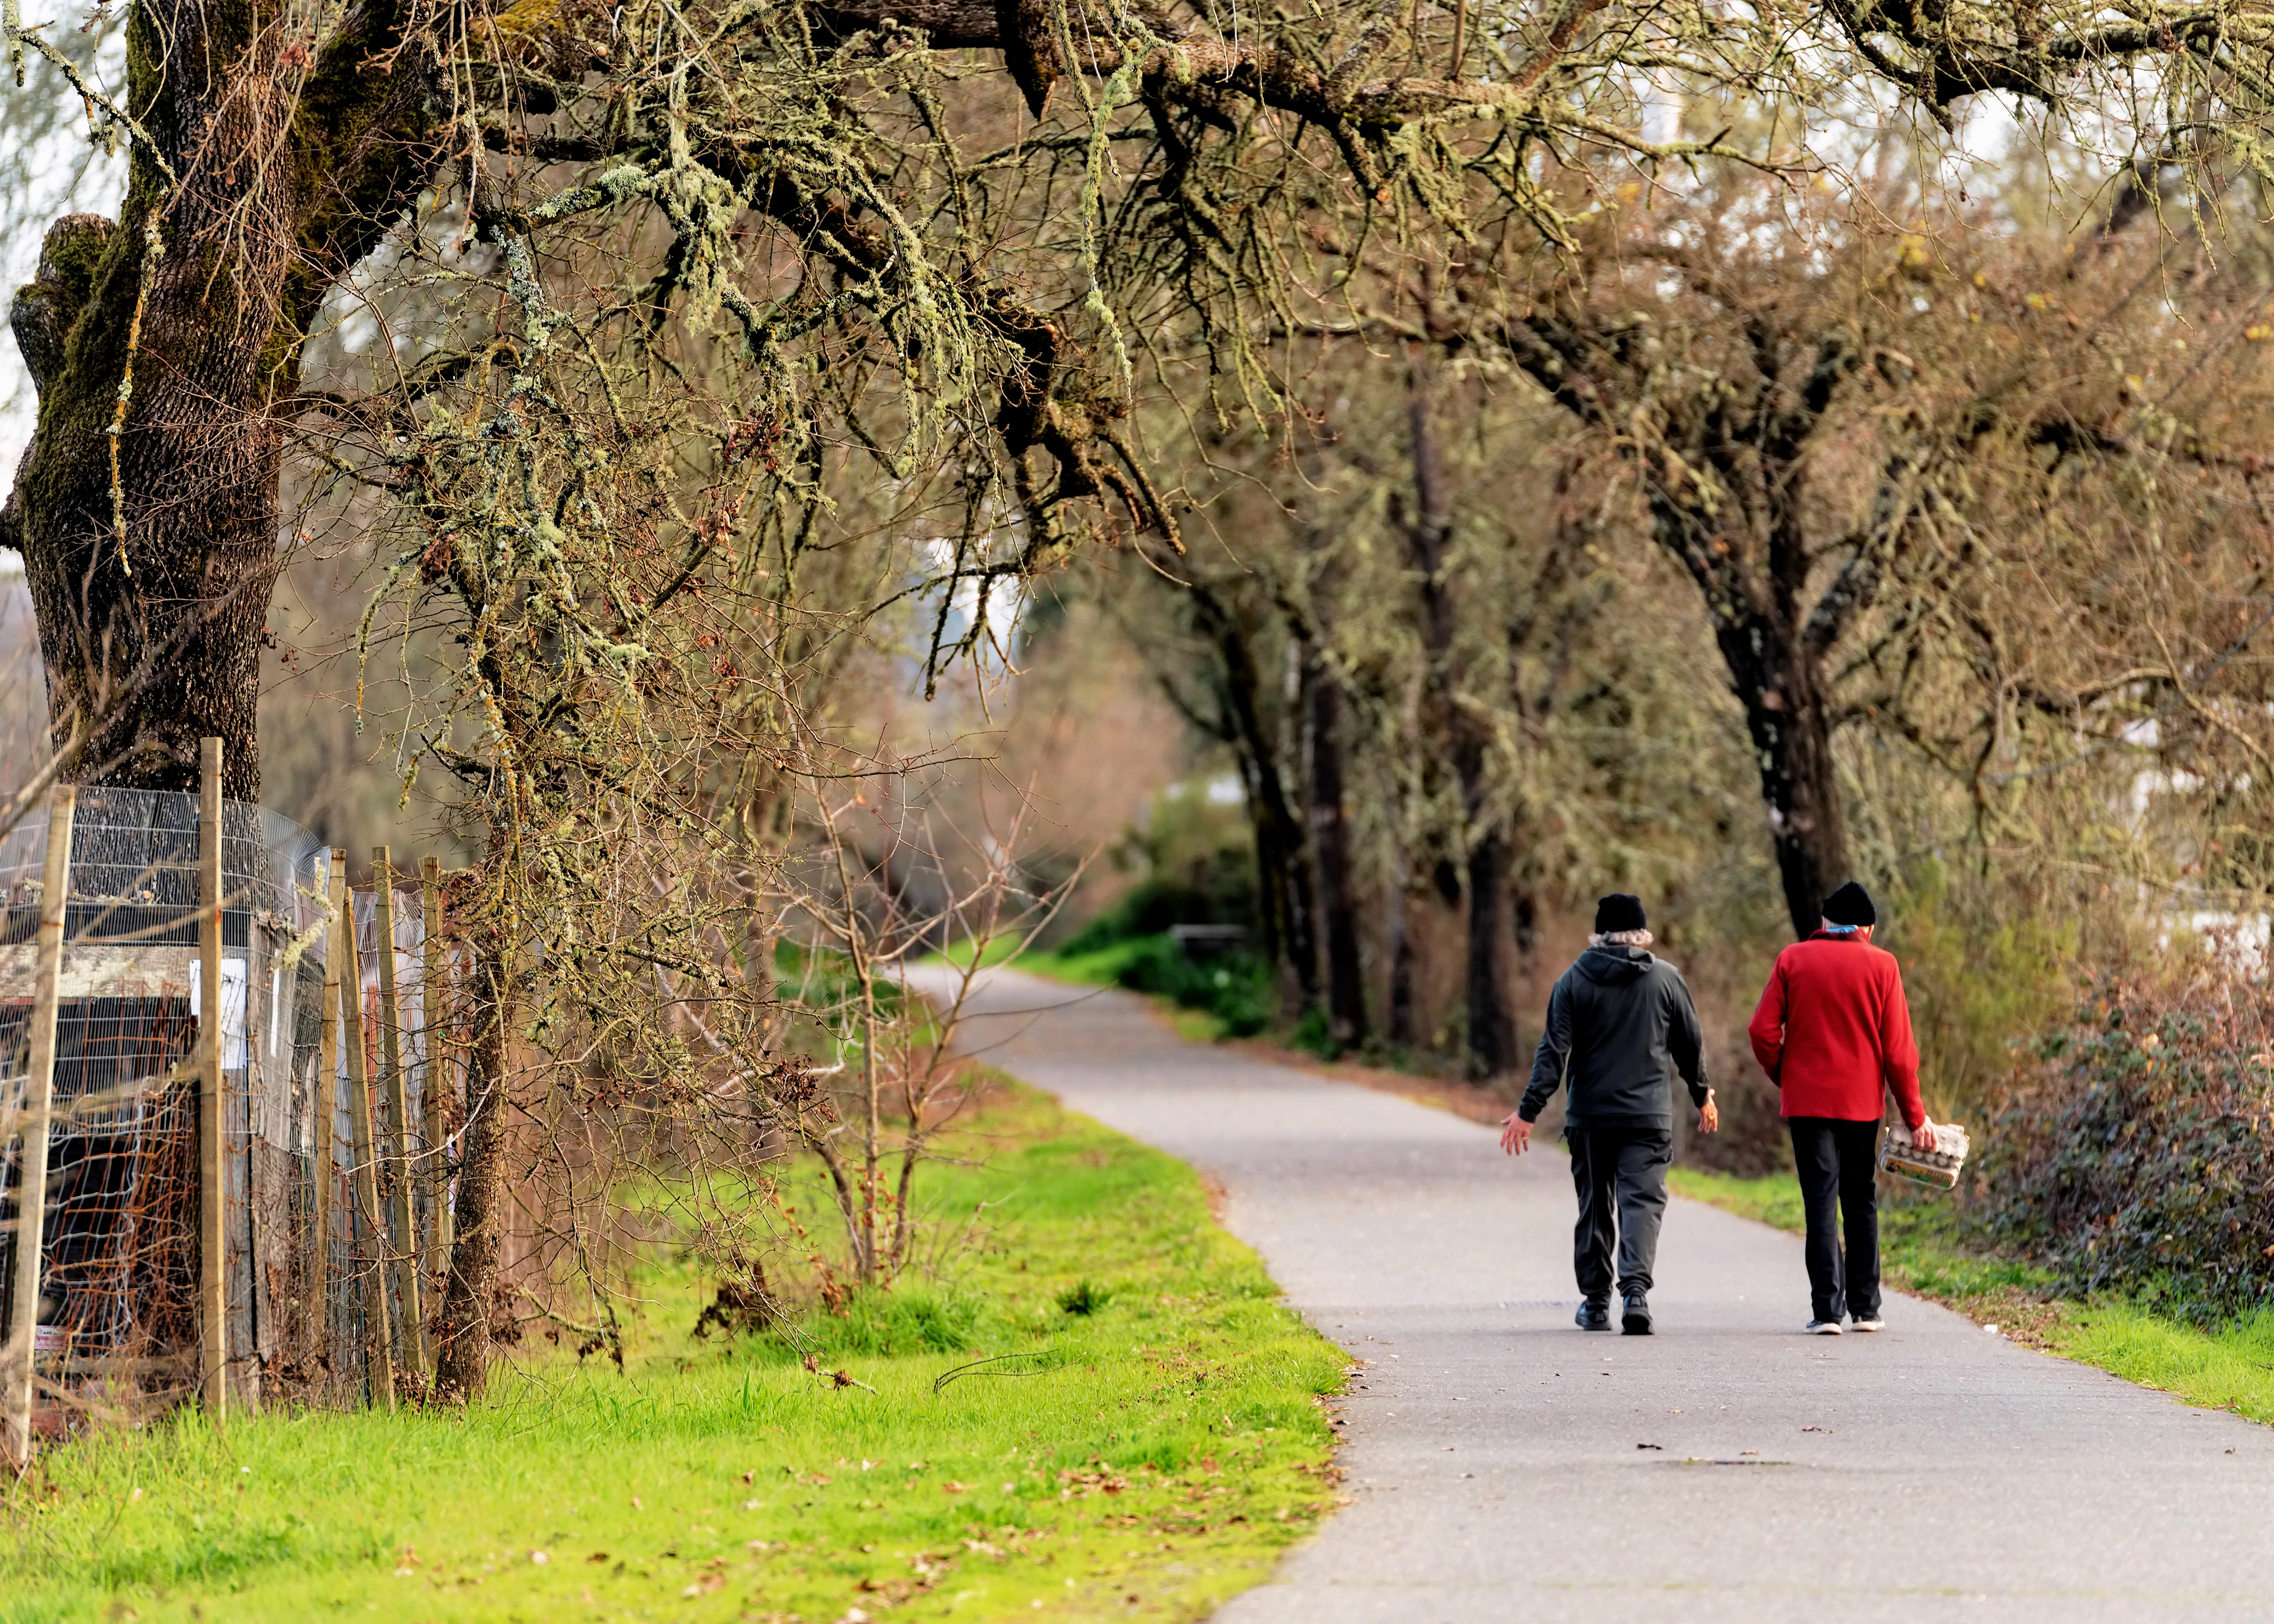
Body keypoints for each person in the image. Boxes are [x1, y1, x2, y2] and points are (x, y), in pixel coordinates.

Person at [1501, 894, 1716, 1336]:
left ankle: (1596, 1303)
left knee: (1595, 1205)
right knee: (1642, 1202)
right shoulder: (1667, 979)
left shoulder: (1572, 982)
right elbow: (1689, 1046)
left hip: (1591, 1116)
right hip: (1648, 1115)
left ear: (1598, 935)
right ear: (1642, 935)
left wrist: (1528, 1112)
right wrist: (1702, 1094)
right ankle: (1635, 1293)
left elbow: (1553, 1053)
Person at [1747, 880, 1940, 1336]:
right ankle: (1867, 1308)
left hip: (1808, 1103)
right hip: (1860, 1105)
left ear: (1824, 924)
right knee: (1860, 1198)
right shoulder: (1884, 965)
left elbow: (1761, 1031)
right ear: (1868, 928)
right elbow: (1899, 1052)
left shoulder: (1792, 959)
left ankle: (1827, 1311)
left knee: (1820, 1200)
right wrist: (1916, 1116)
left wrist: (1786, 1074)